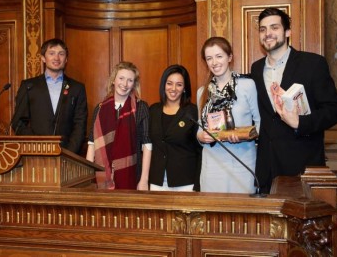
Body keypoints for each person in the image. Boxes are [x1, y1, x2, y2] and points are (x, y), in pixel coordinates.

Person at [251, 7, 337, 193]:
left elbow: (334, 110)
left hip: (302, 168)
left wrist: (300, 122)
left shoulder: (312, 64)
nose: (268, 34)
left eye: (274, 27)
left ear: (287, 32)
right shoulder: (256, 69)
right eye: (263, 29)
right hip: (266, 170)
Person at [197, 37, 260, 193]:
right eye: (209, 58)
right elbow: (200, 126)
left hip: (242, 161)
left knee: (241, 213)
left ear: (229, 57)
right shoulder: (202, 92)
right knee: (213, 214)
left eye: (219, 56)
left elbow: (260, 122)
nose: (214, 62)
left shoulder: (247, 85)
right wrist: (200, 136)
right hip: (212, 163)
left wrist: (245, 135)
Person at [11, 38, 88, 154]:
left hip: (68, 156)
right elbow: (18, 123)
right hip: (36, 154)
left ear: (66, 59)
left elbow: (80, 125)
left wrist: (70, 153)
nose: (56, 58)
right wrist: (36, 146)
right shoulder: (29, 86)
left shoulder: (77, 88)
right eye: (51, 53)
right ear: (43, 58)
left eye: (61, 54)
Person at [86, 61, 151, 190]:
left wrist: (144, 180)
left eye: (130, 80)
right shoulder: (99, 109)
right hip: (102, 177)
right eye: (121, 78)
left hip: (132, 175)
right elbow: (92, 145)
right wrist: (88, 178)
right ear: (113, 80)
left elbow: (147, 145)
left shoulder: (141, 107)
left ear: (134, 84)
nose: (125, 84)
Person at [148, 64, 202, 192]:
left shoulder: (192, 112)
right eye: (169, 83)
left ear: (184, 88)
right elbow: (148, 146)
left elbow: (200, 151)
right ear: (164, 85)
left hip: (186, 182)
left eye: (179, 84)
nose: (173, 88)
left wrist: (197, 184)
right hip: (157, 181)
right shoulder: (153, 110)